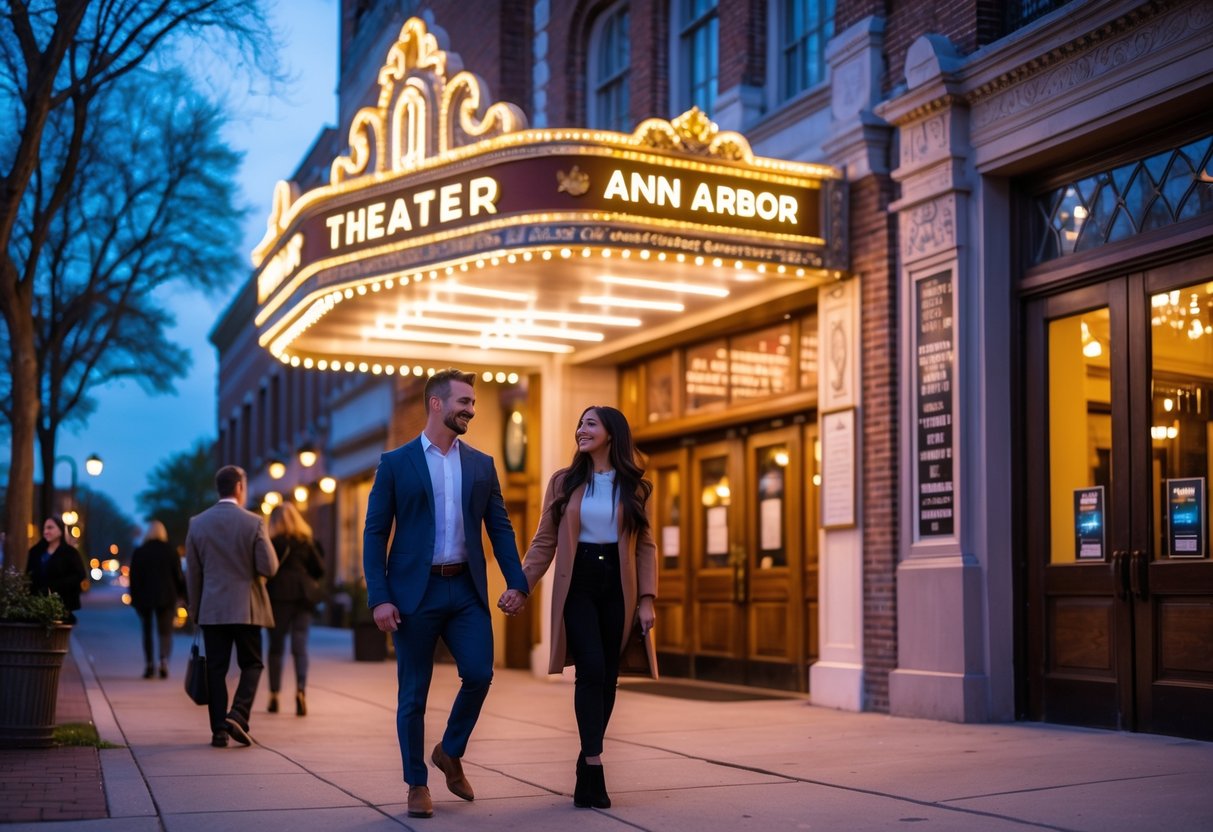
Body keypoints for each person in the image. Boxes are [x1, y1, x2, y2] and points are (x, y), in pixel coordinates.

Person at [363, 367, 530, 819]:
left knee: (479, 673)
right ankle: (416, 783)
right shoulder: (395, 464)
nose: (471, 410)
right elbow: (375, 533)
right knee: (413, 694)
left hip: (466, 590)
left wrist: (517, 581)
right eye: (464, 402)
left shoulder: (481, 464)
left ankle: (450, 750)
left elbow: (500, 526)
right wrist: (379, 596)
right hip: (414, 594)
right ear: (436, 404)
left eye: (473, 403)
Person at [514, 405, 658, 809]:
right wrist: (520, 586)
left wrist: (646, 599)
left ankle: (585, 759)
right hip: (577, 584)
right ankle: (594, 763)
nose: (581, 430)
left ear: (612, 433)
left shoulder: (636, 487)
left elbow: (645, 545)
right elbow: (545, 540)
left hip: (619, 585)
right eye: (579, 424)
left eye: (590, 424)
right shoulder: (564, 482)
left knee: (608, 674)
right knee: (591, 668)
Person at [185, 465, 278, 749]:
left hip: (212, 608)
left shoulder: (197, 523)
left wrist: (195, 610)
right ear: (239, 487)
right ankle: (238, 713)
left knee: (216, 668)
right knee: (252, 663)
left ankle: (218, 732)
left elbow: (193, 574)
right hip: (246, 607)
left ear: (219, 488)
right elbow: (270, 566)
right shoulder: (253, 522)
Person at [265, 502, 326, 716]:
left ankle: (274, 695)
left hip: (278, 596)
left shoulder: (272, 542)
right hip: (303, 596)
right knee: (299, 646)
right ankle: (300, 690)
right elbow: (320, 569)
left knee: (276, 646)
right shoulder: (306, 541)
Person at [129, 520, 186, 679]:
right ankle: (163, 661)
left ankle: (149, 665)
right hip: (167, 596)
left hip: (145, 596)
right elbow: (178, 575)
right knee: (165, 631)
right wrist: (182, 594)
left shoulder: (140, 551)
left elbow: (134, 577)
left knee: (147, 631)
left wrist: (134, 597)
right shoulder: (170, 551)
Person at [26, 516, 86, 624]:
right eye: (44, 528)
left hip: (63, 604)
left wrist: (56, 586)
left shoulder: (70, 553)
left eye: (50, 528)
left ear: (60, 530)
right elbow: (28, 575)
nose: (46, 531)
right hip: (37, 605)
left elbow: (80, 575)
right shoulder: (35, 552)